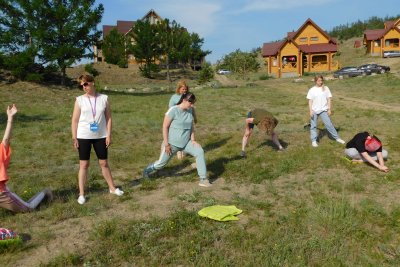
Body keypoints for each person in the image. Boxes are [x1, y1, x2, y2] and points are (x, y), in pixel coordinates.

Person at [71, 74, 123, 205]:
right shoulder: (79, 100)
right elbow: (75, 120)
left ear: (92, 82)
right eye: (81, 85)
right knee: (84, 165)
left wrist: (108, 134)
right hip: (83, 136)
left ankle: (112, 188)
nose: (84, 87)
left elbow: (109, 118)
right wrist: (74, 137)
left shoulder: (104, 98)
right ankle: (82, 194)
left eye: (86, 84)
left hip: (100, 136)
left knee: (104, 163)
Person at [143, 93, 211, 187]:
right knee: (161, 164)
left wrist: (193, 140)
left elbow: (191, 126)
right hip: (171, 144)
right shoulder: (173, 110)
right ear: (184, 100)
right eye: (190, 103)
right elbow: (165, 127)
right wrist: (167, 144)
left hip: (186, 143)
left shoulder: (190, 110)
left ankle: (203, 179)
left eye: (193, 103)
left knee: (199, 151)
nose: (192, 105)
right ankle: (147, 170)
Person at [0, 104, 52, 213]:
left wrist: (10, 118)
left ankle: (45, 192)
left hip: (1, 194)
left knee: (28, 208)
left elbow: (5, 140)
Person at [307, 75, 345, 147]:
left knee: (329, 124)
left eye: (321, 80)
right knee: (313, 126)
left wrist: (329, 109)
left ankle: (337, 138)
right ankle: (314, 140)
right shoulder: (312, 90)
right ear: (315, 81)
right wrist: (310, 111)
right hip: (314, 111)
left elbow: (329, 99)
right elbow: (310, 101)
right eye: (319, 81)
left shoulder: (326, 88)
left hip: (324, 110)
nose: (320, 82)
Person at [168, 80, 197, 160]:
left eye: (185, 89)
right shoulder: (174, 97)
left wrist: (195, 117)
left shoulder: (188, 96)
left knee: (187, 133)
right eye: (183, 89)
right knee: (179, 134)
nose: (184, 91)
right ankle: (178, 152)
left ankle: (184, 150)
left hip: (187, 119)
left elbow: (192, 107)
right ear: (179, 89)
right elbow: (170, 108)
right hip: (178, 120)